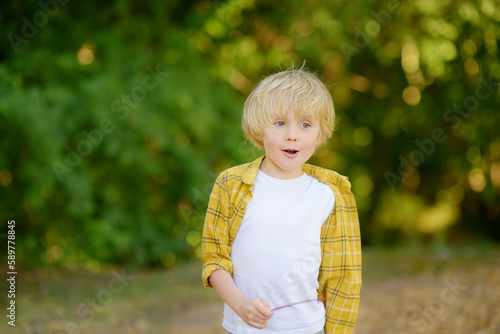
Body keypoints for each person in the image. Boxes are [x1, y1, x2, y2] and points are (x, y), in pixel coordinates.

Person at [202, 64, 361, 334]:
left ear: (320, 132)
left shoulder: (330, 194)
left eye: (306, 124)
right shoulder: (231, 185)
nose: (292, 134)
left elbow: (341, 276)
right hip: (243, 328)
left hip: (307, 329)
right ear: (259, 128)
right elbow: (214, 259)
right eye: (279, 123)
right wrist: (241, 306)